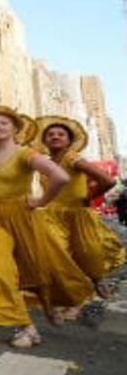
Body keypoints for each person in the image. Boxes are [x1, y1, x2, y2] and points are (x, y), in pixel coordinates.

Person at [0, 106, 93, 348]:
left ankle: (49, 303)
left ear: (15, 129)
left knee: (36, 267)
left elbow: (61, 177)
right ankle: (26, 327)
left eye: (4, 123)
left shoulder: (25, 153)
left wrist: (40, 201)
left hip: (22, 216)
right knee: (0, 271)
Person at [35, 116, 123, 314]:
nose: (55, 137)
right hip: (51, 216)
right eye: (50, 135)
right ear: (45, 140)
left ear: (69, 140)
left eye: (61, 134)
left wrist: (90, 196)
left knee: (87, 254)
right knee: (57, 255)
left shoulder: (73, 158)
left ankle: (97, 280)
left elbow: (108, 180)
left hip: (78, 214)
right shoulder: (44, 164)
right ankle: (73, 298)